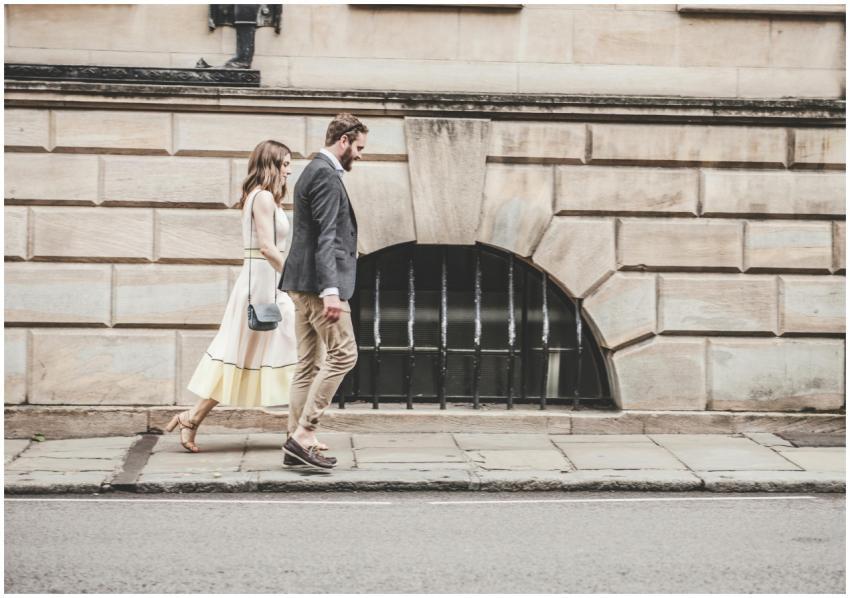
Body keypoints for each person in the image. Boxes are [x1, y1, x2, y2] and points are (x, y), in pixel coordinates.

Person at [165, 140, 297, 452]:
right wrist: (294, 277)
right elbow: (266, 247)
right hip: (261, 287)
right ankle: (302, 432)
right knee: (252, 354)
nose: (290, 170)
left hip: (267, 283)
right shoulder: (263, 197)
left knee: (250, 356)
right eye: (286, 164)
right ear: (272, 164)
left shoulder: (265, 198)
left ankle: (192, 418)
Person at [280, 113, 369, 469]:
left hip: (300, 282)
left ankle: (294, 441)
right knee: (344, 354)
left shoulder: (313, 171)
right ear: (344, 141)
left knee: (308, 364)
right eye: (359, 147)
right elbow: (328, 238)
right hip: (319, 285)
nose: (360, 155)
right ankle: (304, 433)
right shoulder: (326, 176)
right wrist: (331, 291)